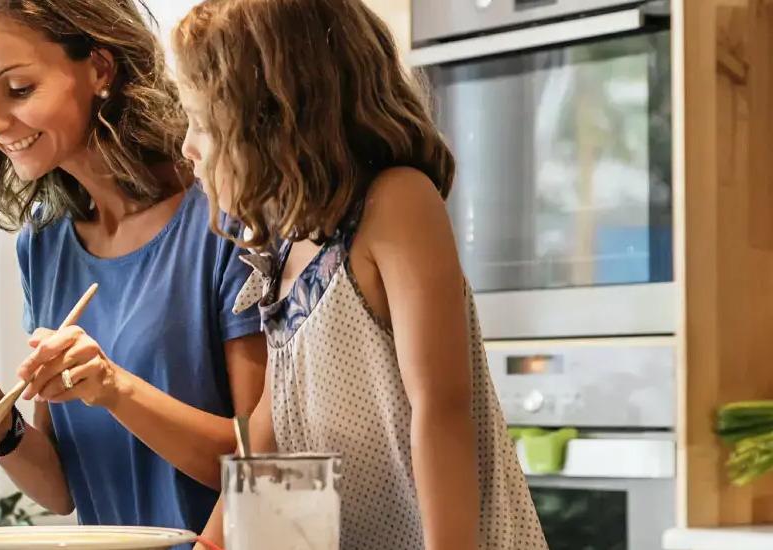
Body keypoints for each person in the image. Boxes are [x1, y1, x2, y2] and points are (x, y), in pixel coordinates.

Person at [171, 1, 548, 548]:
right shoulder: (285, 244)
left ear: (274, 116)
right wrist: (207, 543)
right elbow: (269, 432)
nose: (187, 147)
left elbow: (439, 408)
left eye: (203, 123)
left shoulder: (396, 204)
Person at [0, 0, 267, 541]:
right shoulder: (45, 244)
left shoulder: (223, 217)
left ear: (99, 69)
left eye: (18, 89)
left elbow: (263, 466)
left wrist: (114, 387)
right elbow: (62, 487)